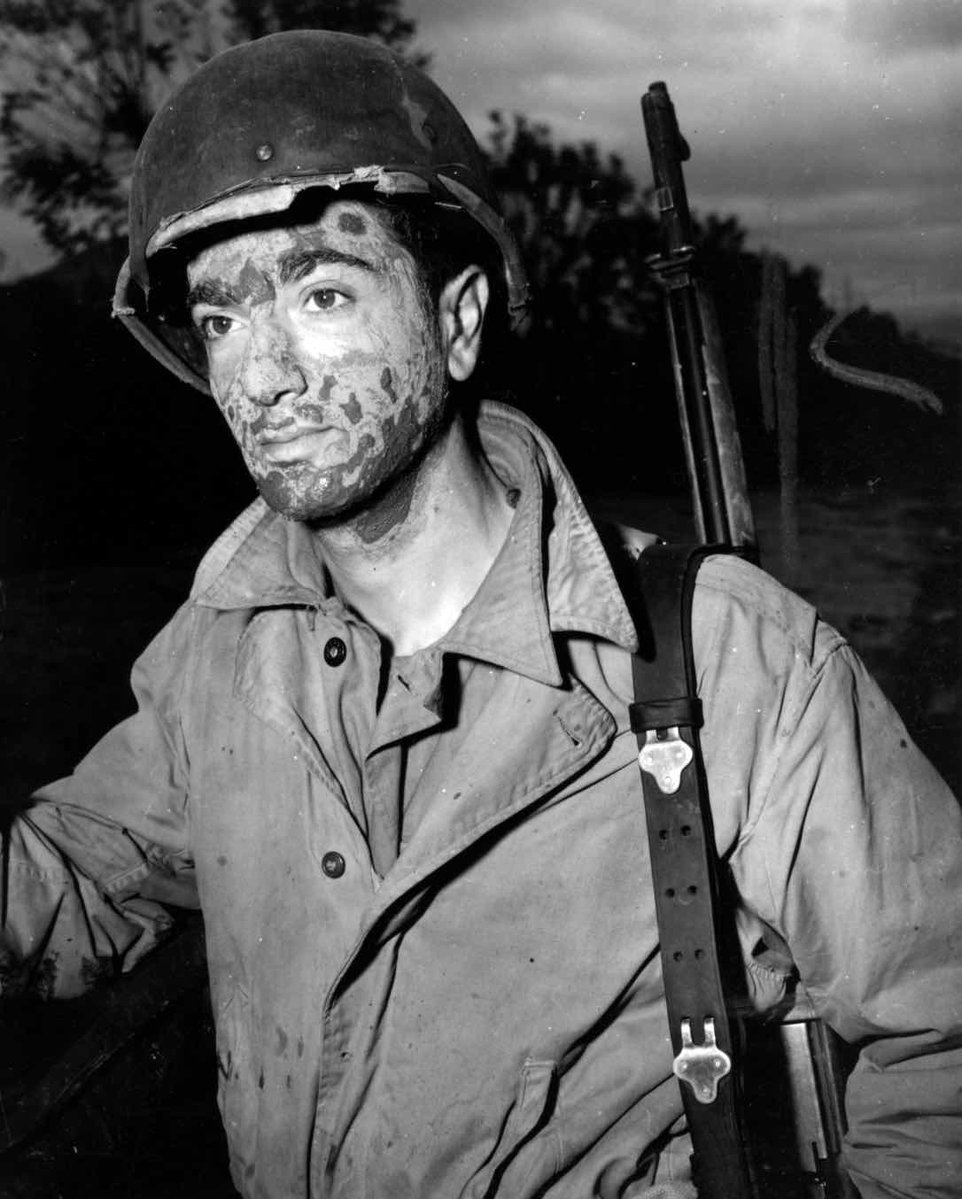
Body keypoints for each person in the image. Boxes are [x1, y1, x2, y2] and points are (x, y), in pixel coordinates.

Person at [2, 29, 960, 1199]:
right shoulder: (221, 658)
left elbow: (945, 1036)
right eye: (219, 321)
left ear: (456, 324)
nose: (260, 375)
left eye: (321, 292)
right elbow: (69, 886)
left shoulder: (726, 659)